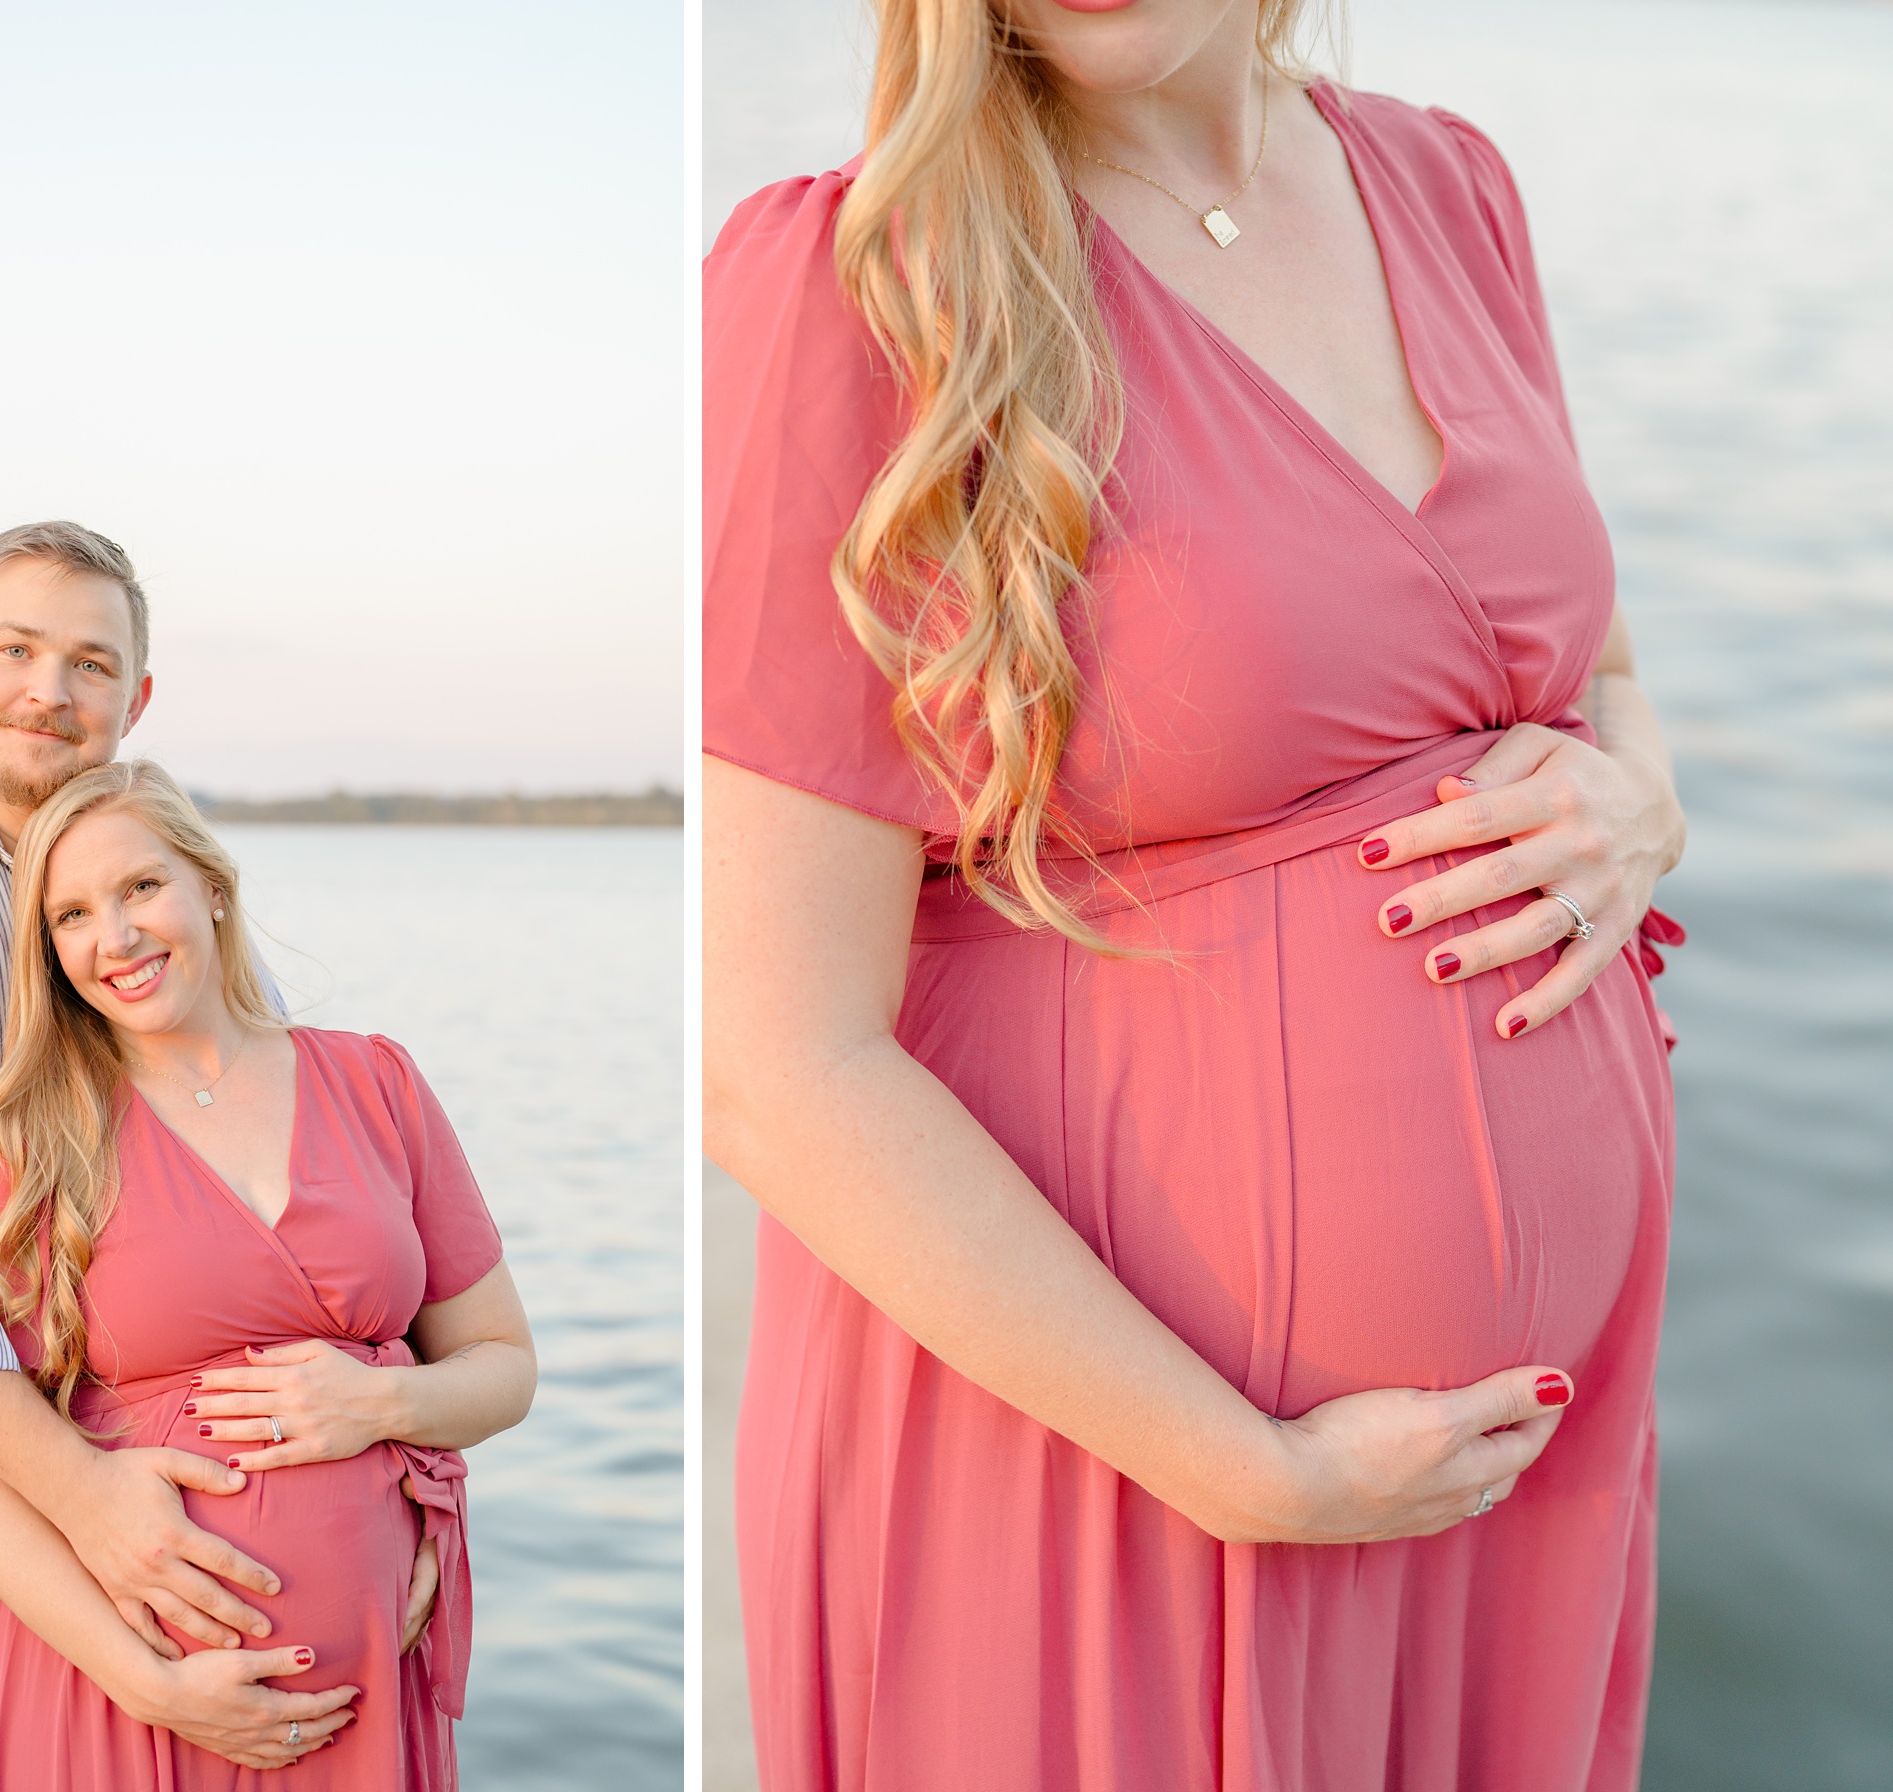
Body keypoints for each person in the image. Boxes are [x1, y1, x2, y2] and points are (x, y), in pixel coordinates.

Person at [704, 3, 1686, 1788]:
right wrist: (1253, 1469)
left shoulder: (1449, 187)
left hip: (1515, 1479)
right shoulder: (856, 288)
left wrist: (1644, 793)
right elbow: (774, 1060)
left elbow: (1589, 647)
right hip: (1118, 1467)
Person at [0, 522, 380, 1789]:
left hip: (134, 1476)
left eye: (91, 662)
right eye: (17, 649)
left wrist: (408, 1472)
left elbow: (264, 1174)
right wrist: (89, 1501)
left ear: (136, 699)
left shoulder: (143, 887)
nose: (51, 688)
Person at [0, 759, 534, 1786]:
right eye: (71, 915)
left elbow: (504, 1365)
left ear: (210, 884)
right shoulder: (31, 1139)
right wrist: (146, 1681)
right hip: (125, 1705)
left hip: (362, 1703)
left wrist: (383, 1404)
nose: (112, 937)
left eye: (139, 888)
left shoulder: (376, 1083)